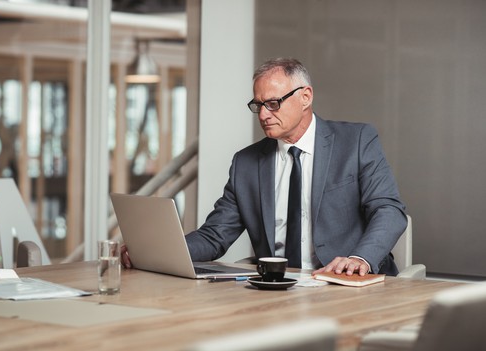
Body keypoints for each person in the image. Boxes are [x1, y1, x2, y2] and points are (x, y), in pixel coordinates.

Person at [123, 57, 406, 277]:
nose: (263, 115)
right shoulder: (246, 163)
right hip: (277, 286)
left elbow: (389, 210)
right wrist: (156, 251)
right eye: (257, 105)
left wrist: (359, 259)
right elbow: (215, 236)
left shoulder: (355, 142)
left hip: (343, 285)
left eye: (272, 103)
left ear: (306, 97)